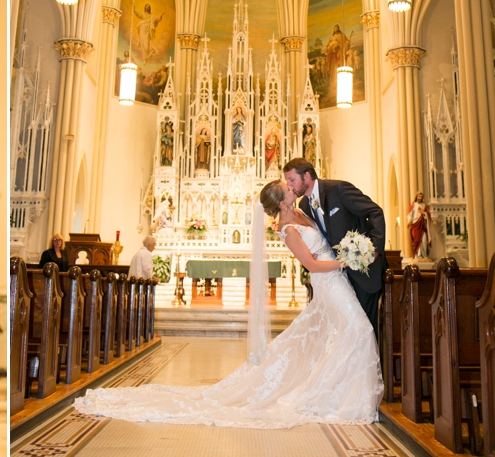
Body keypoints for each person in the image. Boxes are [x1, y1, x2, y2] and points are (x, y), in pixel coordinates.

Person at [74, 180, 382, 427]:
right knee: (359, 329)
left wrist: (349, 253)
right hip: (329, 281)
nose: (292, 186)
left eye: (290, 183)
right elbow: (312, 265)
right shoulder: (288, 230)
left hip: (336, 282)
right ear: (282, 201)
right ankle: (346, 397)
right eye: (287, 187)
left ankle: (340, 392)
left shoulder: (303, 211)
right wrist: (344, 262)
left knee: (342, 334)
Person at [283, 157, 387, 335]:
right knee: (346, 332)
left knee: (364, 330)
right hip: (338, 276)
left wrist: (374, 250)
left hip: (364, 272)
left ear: (306, 176)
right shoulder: (303, 205)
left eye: (291, 180)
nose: (289, 185)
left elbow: (374, 211)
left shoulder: (338, 189)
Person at [407, 192, 432, 259]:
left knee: (424, 241)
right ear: (416, 197)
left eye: (421, 196)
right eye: (419, 196)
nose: (420, 198)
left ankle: (424, 255)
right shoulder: (413, 205)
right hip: (415, 225)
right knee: (417, 240)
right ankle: (418, 255)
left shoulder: (424, 205)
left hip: (422, 225)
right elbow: (410, 214)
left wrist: (423, 213)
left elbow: (428, 216)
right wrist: (409, 221)